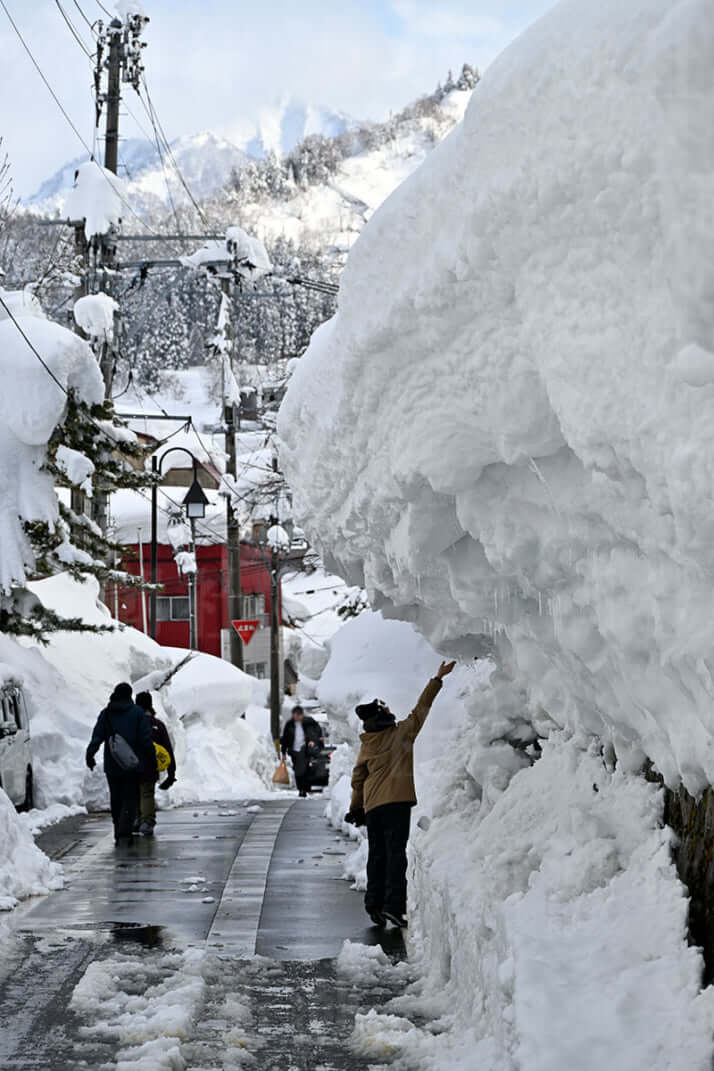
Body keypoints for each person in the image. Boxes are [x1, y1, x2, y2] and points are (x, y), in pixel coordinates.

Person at [345, 660, 456, 928]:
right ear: (384, 716)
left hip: (373, 806)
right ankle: (394, 907)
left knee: (377, 855)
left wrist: (356, 808)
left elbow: (358, 779)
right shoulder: (401, 734)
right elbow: (421, 710)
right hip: (396, 804)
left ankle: (374, 906)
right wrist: (437, 679)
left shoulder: (368, 743)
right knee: (395, 855)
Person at [86, 682, 157, 846]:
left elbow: (97, 736)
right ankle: (125, 831)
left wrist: (90, 754)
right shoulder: (137, 714)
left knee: (116, 797)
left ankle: (118, 828)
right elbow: (146, 740)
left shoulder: (107, 713)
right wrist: (151, 759)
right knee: (130, 799)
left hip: (112, 765)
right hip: (132, 765)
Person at [134, 691, 177, 836]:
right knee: (147, 793)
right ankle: (147, 822)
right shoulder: (157, 725)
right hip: (150, 766)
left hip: (132, 764)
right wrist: (171, 774)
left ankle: (136, 818)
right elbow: (168, 750)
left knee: (134, 792)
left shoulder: (131, 723)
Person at [280, 705, 324, 797]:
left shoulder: (309, 722)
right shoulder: (290, 724)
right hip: (294, 751)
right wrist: (283, 752)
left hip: (305, 750)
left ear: (301, 715)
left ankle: (304, 789)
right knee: (297, 770)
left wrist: (313, 740)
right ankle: (301, 789)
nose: (296, 717)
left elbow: (317, 731)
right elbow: (285, 739)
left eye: (298, 715)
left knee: (305, 770)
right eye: (295, 715)